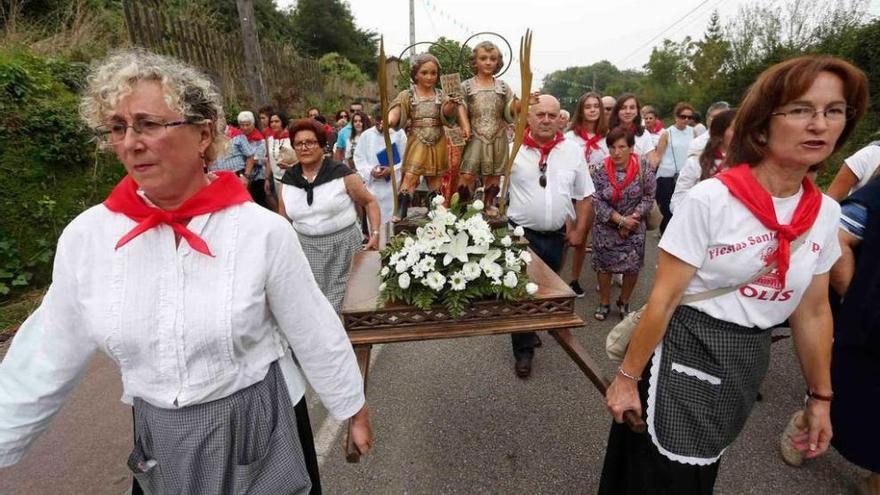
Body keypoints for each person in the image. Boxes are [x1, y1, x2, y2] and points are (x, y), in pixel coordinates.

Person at [0, 49, 374, 493]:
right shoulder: (88, 238)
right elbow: (45, 354)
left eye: (149, 124)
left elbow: (311, 325)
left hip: (262, 425)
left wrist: (351, 405)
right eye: (118, 127)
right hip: (162, 442)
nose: (131, 141)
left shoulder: (260, 232)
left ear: (203, 135)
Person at [601, 55, 868, 494]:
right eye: (801, 109)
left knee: (701, 470)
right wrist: (626, 380)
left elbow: (814, 311)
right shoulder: (713, 200)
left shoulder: (824, 213)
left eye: (834, 111)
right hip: (685, 350)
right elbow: (665, 298)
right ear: (762, 126)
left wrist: (820, 399)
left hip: (746, 362)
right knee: (659, 476)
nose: (819, 124)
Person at [507, 94, 595, 378]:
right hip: (520, 235)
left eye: (552, 115)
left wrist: (580, 229)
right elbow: (494, 192)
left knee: (546, 289)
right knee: (522, 292)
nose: (546, 120)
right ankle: (523, 351)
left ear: (560, 119)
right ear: (528, 118)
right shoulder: (512, 150)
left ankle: (531, 327)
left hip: (557, 236)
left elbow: (584, 194)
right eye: (540, 114)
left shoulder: (572, 151)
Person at [279, 118, 381, 312]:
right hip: (306, 250)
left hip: (344, 248)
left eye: (310, 142)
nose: (304, 148)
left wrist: (375, 234)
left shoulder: (341, 173)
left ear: (322, 145)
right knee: (315, 307)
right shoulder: (288, 180)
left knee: (348, 305)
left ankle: (350, 341)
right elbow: (283, 221)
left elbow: (370, 202)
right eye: (299, 143)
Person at [388, 53, 467, 222]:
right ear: (415, 74)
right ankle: (402, 208)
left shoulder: (441, 95)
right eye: (424, 73)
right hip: (417, 138)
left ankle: (435, 208)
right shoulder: (407, 95)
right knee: (411, 174)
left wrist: (451, 105)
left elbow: (447, 113)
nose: (429, 77)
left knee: (435, 177)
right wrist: (390, 119)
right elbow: (397, 109)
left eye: (433, 73)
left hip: (438, 138)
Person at [590, 127, 657, 321]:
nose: (616, 152)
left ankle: (624, 301)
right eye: (612, 147)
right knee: (604, 266)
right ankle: (604, 301)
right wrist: (620, 220)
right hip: (607, 226)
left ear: (631, 147)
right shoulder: (600, 169)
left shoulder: (644, 167)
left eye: (621, 147)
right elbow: (595, 199)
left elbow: (649, 195)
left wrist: (633, 217)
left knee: (632, 266)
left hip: (635, 226)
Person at [457, 41, 513, 213]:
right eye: (483, 58)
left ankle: (489, 204)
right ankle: (462, 206)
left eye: (492, 58)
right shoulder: (466, 85)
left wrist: (521, 103)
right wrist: (465, 125)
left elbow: (509, 109)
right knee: (467, 173)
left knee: (494, 174)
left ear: (498, 62)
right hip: (474, 134)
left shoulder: (503, 86)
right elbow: (460, 106)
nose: (488, 62)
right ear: (475, 61)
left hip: (497, 134)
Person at [564, 91, 609, 296]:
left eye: (596, 106)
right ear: (581, 110)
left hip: (592, 195)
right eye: (588, 106)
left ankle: (574, 279)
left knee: (581, 238)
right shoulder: (569, 137)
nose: (592, 110)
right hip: (570, 193)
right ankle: (556, 277)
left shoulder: (607, 137)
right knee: (564, 237)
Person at [670, 108, 736, 213]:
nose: (741, 132)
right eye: (735, 128)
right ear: (720, 132)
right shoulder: (696, 162)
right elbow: (677, 201)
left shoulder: (752, 163)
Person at [354, 106, 407, 225]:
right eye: (378, 121)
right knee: (374, 223)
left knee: (392, 225)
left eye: (384, 120)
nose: (381, 125)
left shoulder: (399, 134)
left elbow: (406, 159)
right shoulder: (366, 135)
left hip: (393, 187)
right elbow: (359, 158)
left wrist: (392, 170)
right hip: (373, 187)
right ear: (373, 120)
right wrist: (370, 171)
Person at [654, 102, 696, 233]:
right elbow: (658, 157)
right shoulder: (667, 133)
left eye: (689, 117)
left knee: (684, 206)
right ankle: (665, 231)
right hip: (667, 175)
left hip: (686, 175)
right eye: (683, 116)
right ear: (676, 117)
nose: (686, 120)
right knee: (667, 207)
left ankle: (676, 233)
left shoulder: (693, 132)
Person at [608, 93, 659, 167]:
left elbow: (653, 164)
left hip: (637, 176)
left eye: (632, 108)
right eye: (623, 108)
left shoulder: (643, 134)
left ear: (637, 111)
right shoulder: (608, 132)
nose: (628, 111)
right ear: (617, 111)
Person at [265, 110, 296, 203]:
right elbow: (269, 160)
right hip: (276, 179)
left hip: (292, 178)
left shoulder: (292, 138)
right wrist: (267, 178)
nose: (273, 124)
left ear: (283, 122)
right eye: (271, 122)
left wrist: (290, 166)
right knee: (281, 204)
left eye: (277, 121)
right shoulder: (270, 140)